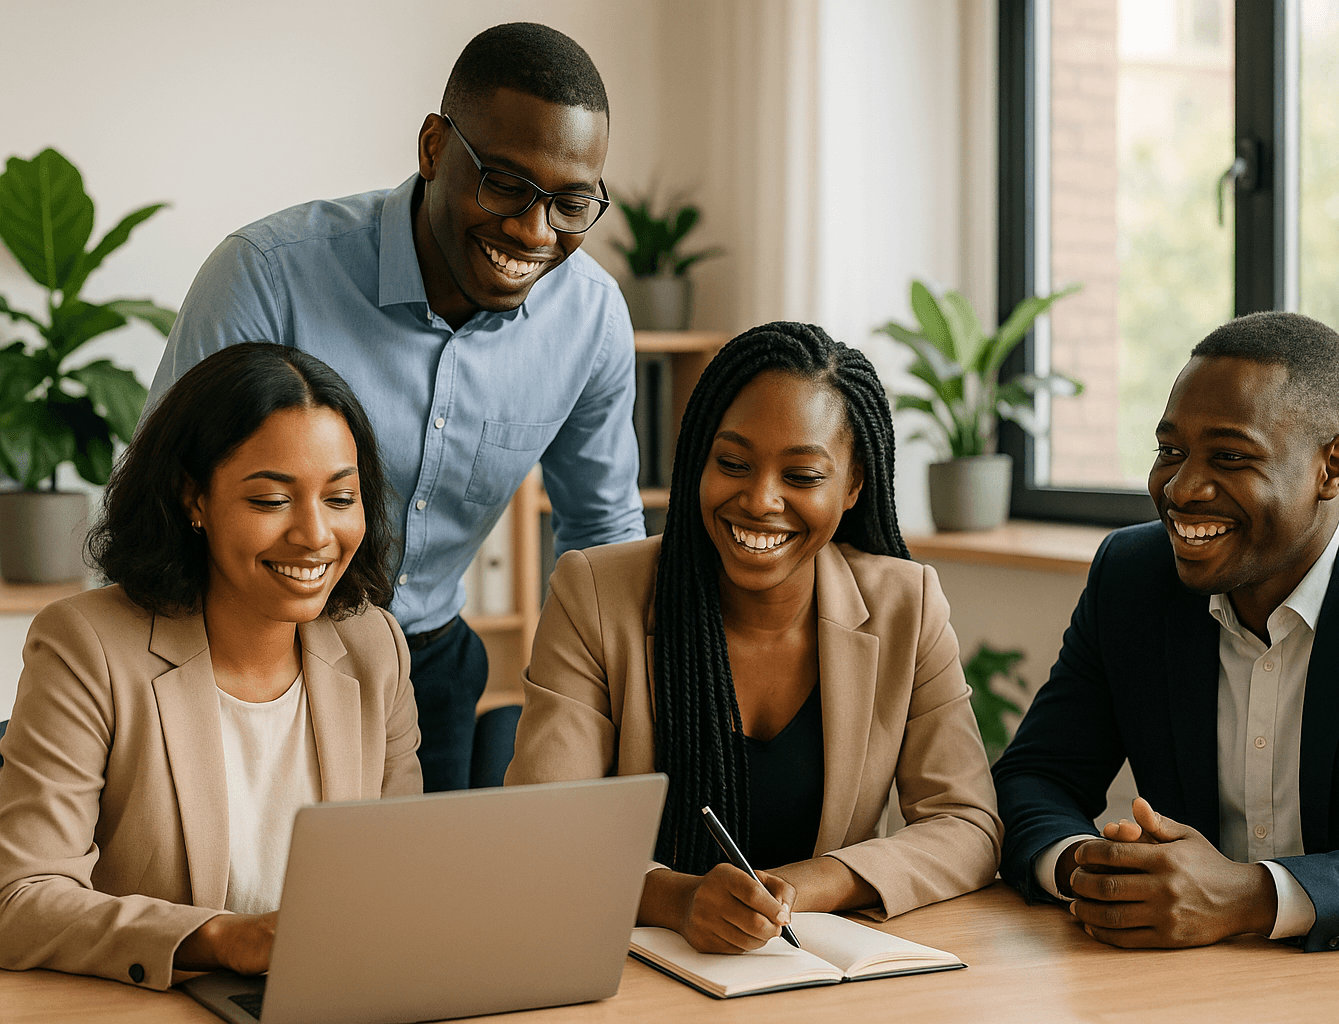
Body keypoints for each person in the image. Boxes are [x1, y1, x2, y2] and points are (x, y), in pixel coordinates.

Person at [145, 23, 645, 792]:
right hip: (240, 655)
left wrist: (613, 720)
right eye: (505, 184)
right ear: (434, 147)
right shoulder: (267, 275)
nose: (532, 230)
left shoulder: (591, 319)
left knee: (413, 909)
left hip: (426, 667)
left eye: (572, 203)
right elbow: (168, 500)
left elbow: (601, 539)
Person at [991, 311, 1339, 953]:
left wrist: (1248, 896)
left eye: (1230, 456)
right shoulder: (1133, 578)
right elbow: (1034, 778)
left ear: (1333, 467)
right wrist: (1096, 874)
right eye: (1170, 451)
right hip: (1200, 981)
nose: (1183, 487)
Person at [506, 322, 1002, 954]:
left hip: (816, 975)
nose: (761, 499)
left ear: (852, 487)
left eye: (802, 476)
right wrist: (676, 899)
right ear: (697, 462)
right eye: (733, 464)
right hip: (635, 972)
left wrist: (801, 886)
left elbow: (967, 825)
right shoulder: (597, 595)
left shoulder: (907, 604)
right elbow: (541, 832)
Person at [0, 343, 421, 988]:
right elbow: (21, 898)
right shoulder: (87, 646)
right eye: (270, 501)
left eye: (340, 498)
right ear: (193, 498)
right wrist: (221, 939)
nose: (314, 534)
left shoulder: (375, 647)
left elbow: (399, 879)